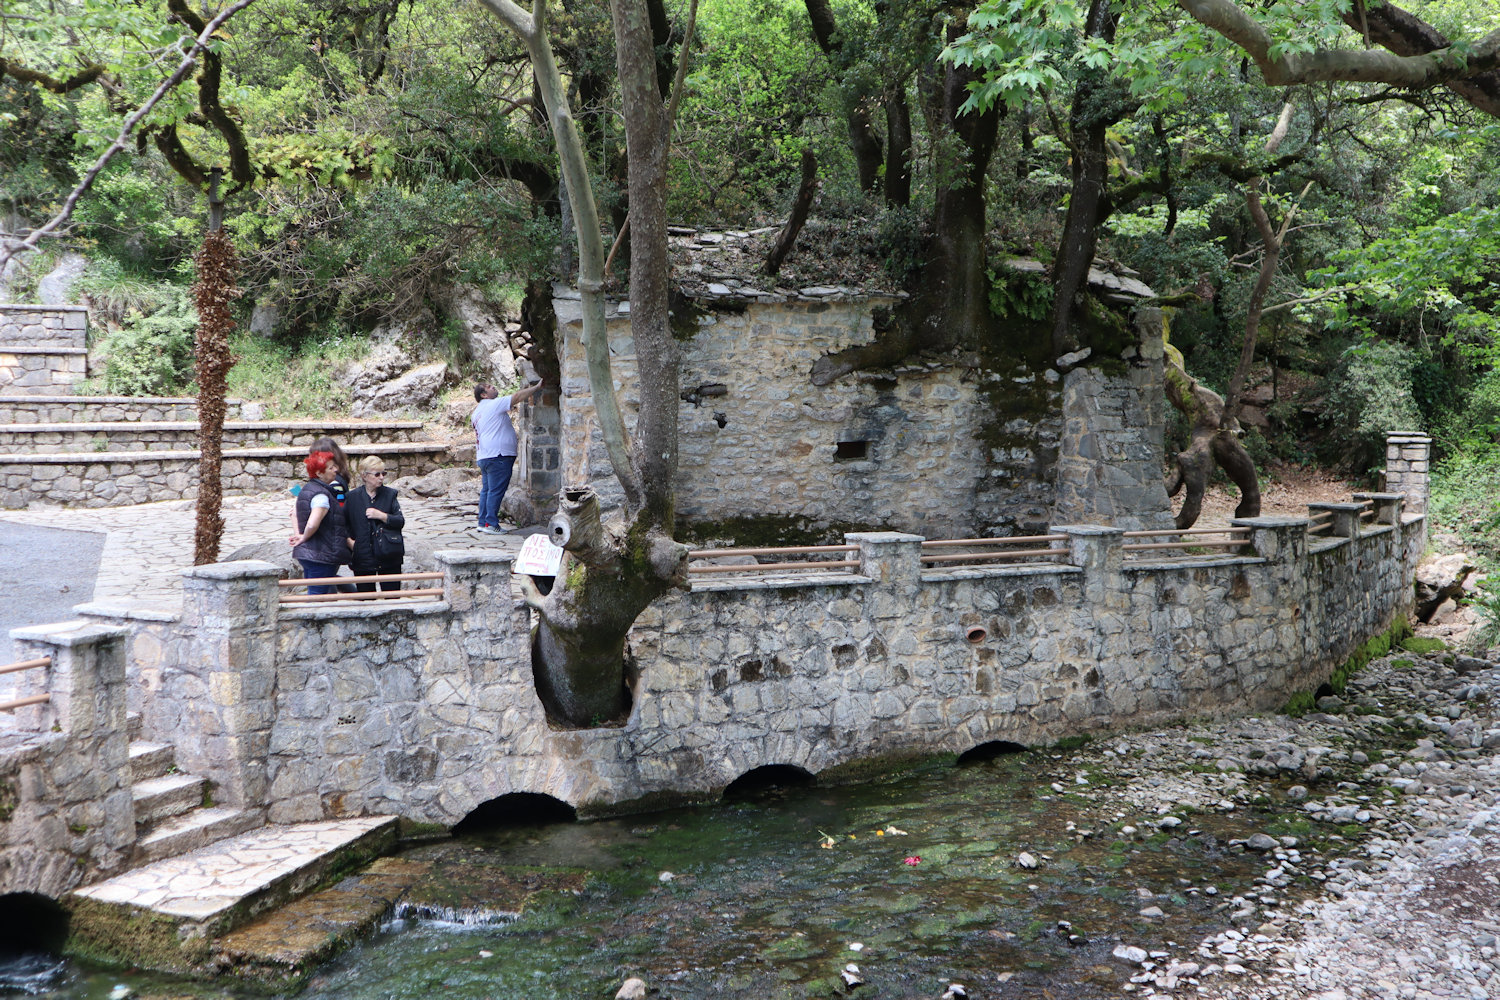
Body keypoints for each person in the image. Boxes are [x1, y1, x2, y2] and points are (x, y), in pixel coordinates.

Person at [471, 378, 544, 535]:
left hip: (484, 456)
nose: (493, 386)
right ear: (484, 395)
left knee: (487, 490)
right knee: (495, 491)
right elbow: (517, 397)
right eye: (489, 386)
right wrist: (536, 387)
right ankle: (491, 523)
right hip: (499, 455)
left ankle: (483, 522)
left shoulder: (476, 412)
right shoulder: (493, 404)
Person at [289, 451, 351, 595]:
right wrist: (304, 537)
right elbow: (312, 524)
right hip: (321, 555)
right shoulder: (321, 496)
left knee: (325, 594)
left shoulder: (307, 489)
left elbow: (294, 514)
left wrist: (298, 535)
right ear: (319, 473)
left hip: (310, 554)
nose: (335, 470)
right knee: (317, 598)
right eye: (330, 468)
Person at [347, 455, 405, 592]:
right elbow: (342, 524)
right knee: (366, 599)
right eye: (377, 474)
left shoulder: (390, 494)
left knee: (392, 598)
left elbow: (400, 521)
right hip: (363, 556)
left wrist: (382, 516)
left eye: (383, 473)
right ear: (364, 476)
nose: (381, 477)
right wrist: (349, 542)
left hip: (389, 554)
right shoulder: (352, 497)